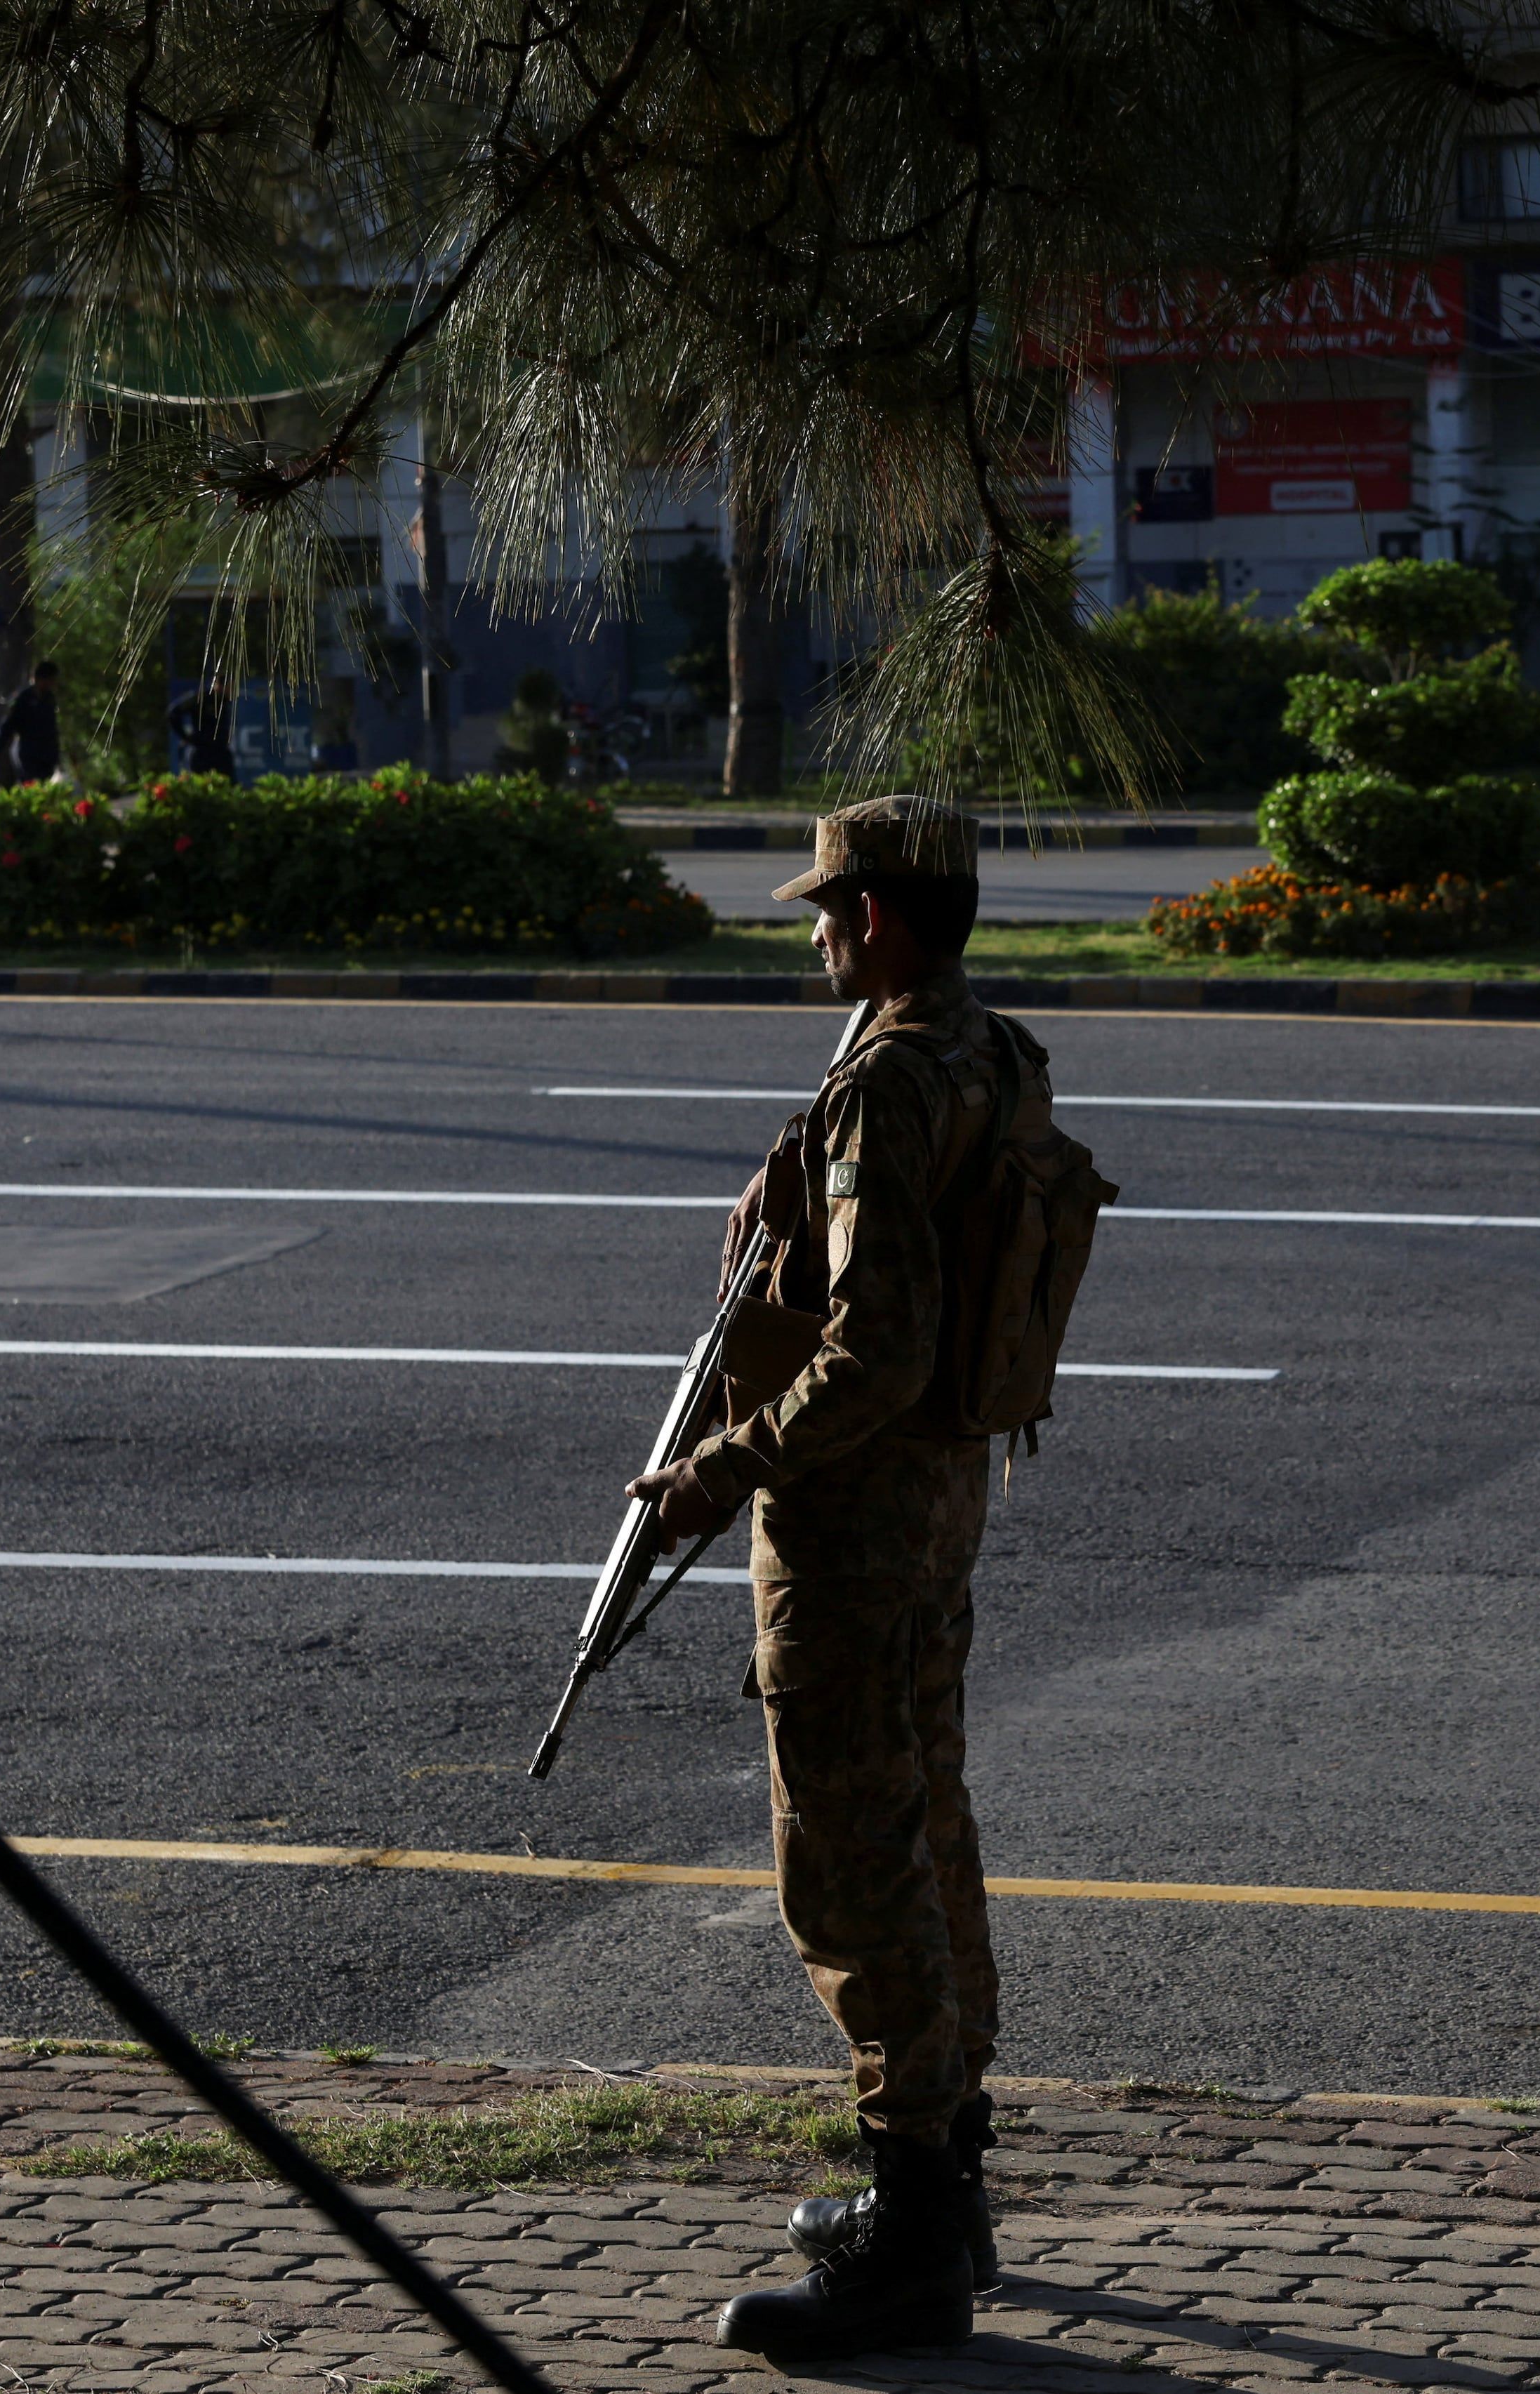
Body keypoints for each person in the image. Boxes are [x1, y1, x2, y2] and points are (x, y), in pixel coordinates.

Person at [626, 794, 1025, 2365]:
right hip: (937, 1500)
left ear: (877, 917)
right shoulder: (982, 1048)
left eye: (826, 908)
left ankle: (912, 2229)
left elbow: (876, 1342)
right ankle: (948, 2173)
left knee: (853, 1862)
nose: (813, 932)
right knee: (928, 1817)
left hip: (855, 1522)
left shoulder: (885, 1081)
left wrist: (717, 1469)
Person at [0, 659, 62, 786]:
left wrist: (56, 755)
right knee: (29, 785)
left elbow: (52, 729)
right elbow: (9, 725)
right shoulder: (23, 699)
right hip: (28, 754)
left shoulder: (49, 699)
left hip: (47, 755)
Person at [166, 675, 236, 777]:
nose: (233, 691)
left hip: (221, 752)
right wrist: (185, 736)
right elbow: (173, 713)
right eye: (231, 687)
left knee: (230, 786)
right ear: (220, 686)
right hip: (203, 753)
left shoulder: (225, 701)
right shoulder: (202, 698)